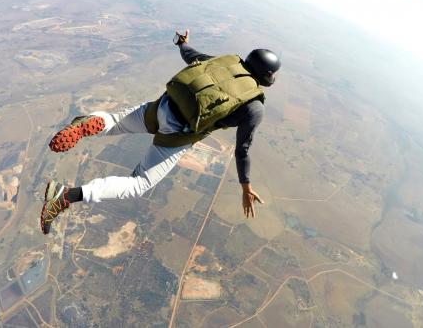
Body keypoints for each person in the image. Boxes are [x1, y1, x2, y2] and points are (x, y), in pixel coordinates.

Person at [39, 30, 281, 235]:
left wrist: (182, 43)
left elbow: (193, 58)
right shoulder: (254, 106)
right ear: (267, 75)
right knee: (138, 184)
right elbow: (243, 150)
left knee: (116, 122)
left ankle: (88, 122)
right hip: (178, 133)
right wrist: (245, 185)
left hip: (161, 107)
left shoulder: (226, 63)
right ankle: (64, 196)